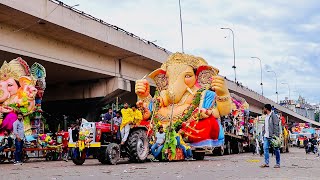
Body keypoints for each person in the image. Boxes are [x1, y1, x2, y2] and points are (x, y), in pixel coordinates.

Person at [260, 104, 281, 168]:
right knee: (265, 149)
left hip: (272, 136)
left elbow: (276, 126)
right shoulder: (266, 117)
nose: (263, 110)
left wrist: (276, 136)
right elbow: (265, 126)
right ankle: (267, 163)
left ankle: (278, 163)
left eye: (264, 109)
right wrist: (263, 133)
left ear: (266, 109)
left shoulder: (274, 116)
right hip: (266, 136)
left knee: (276, 149)